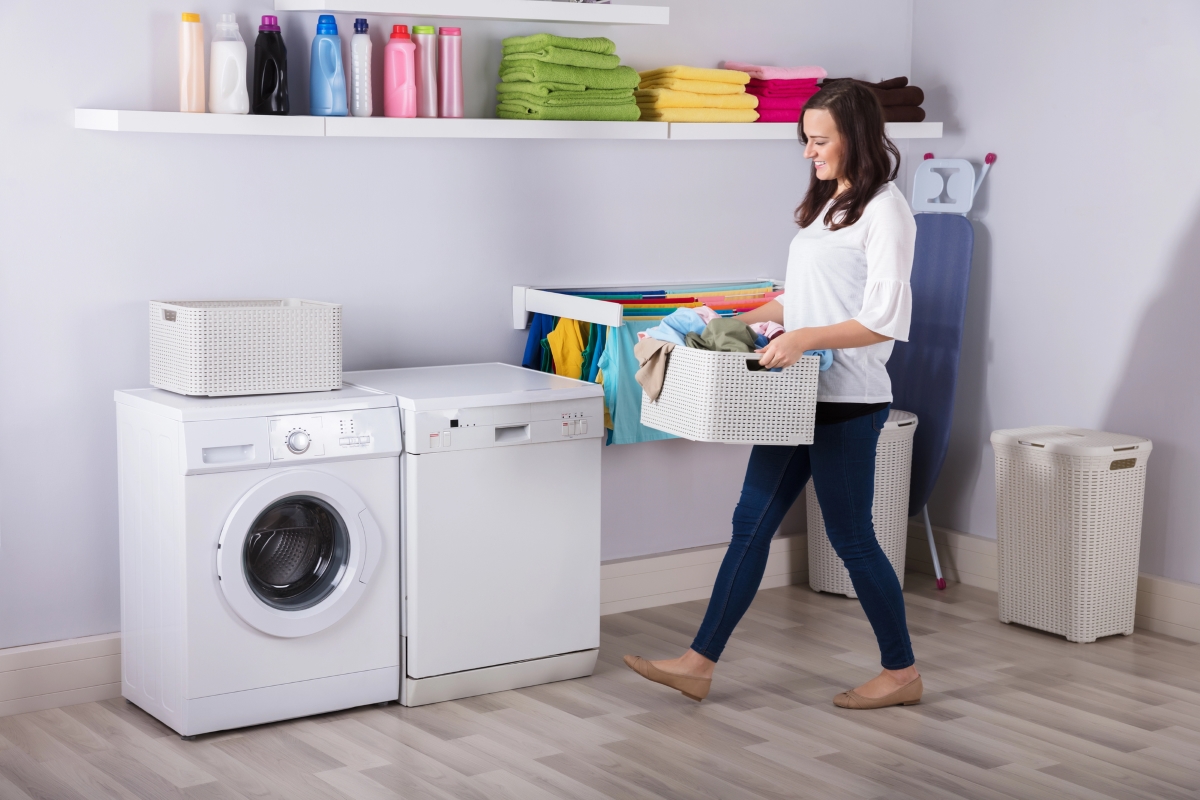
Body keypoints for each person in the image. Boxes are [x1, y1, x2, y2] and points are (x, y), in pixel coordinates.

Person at [623, 80, 921, 710]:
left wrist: (807, 337)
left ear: (856, 137)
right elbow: (802, 298)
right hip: (793, 396)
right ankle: (698, 663)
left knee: (852, 537)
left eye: (820, 141)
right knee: (749, 525)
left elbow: (884, 320)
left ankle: (900, 673)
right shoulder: (827, 203)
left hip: (848, 399)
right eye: (806, 140)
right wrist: (730, 323)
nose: (809, 153)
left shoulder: (886, 212)